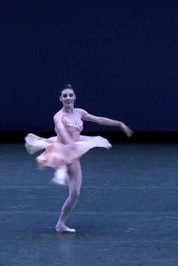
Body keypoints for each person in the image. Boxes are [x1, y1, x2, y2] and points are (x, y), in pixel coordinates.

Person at [25, 84, 133, 233]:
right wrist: (70, 145)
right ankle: (60, 170)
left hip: (73, 151)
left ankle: (60, 224)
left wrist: (119, 124)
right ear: (60, 99)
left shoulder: (80, 112)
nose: (68, 98)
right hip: (62, 150)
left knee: (75, 193)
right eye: (65, 96)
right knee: (64, 168)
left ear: (75, 97)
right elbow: (61, 131)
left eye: (70, 95)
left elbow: (98, 120)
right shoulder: (58, 116)